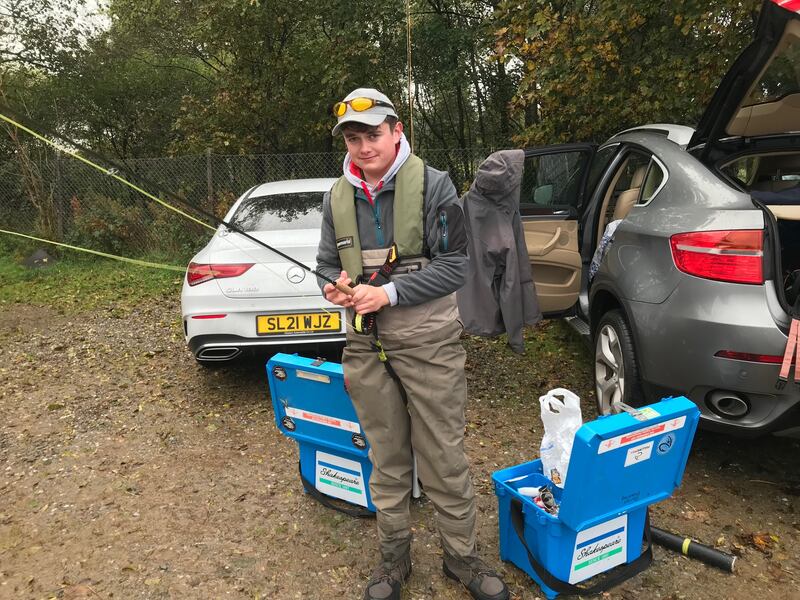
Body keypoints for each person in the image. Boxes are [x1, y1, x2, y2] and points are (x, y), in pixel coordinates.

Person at [316, 88, 510, 600]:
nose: (363, 147)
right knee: (387, 455)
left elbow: (456, 266)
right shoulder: (336, 197)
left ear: (397, 130)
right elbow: (324, 266)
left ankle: (462, 558)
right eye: (354, 139)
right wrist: (333, 287)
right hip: (365, 345)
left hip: (429, 342)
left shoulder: (435, 186)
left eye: (372, 135)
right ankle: (393, 559)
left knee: (444, 454)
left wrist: (389, 292)